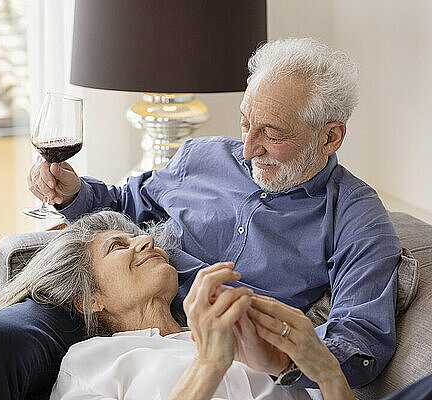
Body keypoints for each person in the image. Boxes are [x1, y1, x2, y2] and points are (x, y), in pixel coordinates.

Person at [27, 37, 402, 389]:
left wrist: (280, 358)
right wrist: (73, 192)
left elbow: (361, 341)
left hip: (233, 368)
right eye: (245, 124)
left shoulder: (357, 219)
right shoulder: (203, 156)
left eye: (272, 135)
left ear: (330, 136)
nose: (249, 149)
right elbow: (127, 205)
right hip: (127, 328)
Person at [0, 211, 339, 399]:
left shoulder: (250, 343)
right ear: (89, 300)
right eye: (117, 246)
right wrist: (209, 364)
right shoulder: (90, 363)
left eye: (139, 235)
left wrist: (326, 372)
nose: (146, 240)